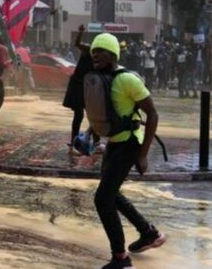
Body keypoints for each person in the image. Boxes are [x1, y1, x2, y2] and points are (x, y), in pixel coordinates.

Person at [88, 33, 165, 269]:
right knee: (112, 194)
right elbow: (103, 112)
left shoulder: (127, 79)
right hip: (114, 144)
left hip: (130, 144)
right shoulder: (101, 79)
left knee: (102, 199)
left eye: (101, 51)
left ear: (113, 54)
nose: (96, 56)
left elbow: (152, 114)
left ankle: (121, 259)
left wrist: (142, 154)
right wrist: (90, 135)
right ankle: (148, 233)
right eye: (94, 52)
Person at [62, 24, 101, 152]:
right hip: (77, 85)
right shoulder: (88, 49)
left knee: (92, 115)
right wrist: (80, 31)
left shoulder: (102, 58)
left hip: (88, 88)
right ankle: (73, 140)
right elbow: (77, 43)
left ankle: (96, 142)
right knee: (78, 114)